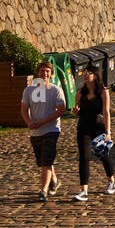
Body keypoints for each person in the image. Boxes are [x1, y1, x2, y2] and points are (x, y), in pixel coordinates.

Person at [21, 60, 67, 202]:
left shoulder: (55, 90)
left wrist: (43, 122)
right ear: (38, 73)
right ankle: (54, 180)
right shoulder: (29, 90)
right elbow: (23, 109)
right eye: (42, 71)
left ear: (51, 74)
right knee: (43, 161)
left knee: (46, 162)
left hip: (51, 130)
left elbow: (61, 110)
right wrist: (29, 122)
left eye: (47, 71)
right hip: (35, 132)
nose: (44, 74)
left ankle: (43, 191)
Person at [72, 67, 115, 200]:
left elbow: (106, 112)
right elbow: (77, 111)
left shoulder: (103, 91)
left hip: (98, 128)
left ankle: (111, 181)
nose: (84, 76)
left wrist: (108, 132)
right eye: (83, 74)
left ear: (95, 75)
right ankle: (84, 190)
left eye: (88, 74)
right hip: (83, 128)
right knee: (84, 158)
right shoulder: (80, 92)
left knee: (103, 155)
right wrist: (75, 111)